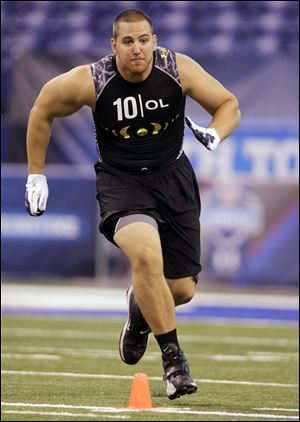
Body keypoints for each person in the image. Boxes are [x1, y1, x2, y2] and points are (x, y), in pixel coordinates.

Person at [25, 9, 241, 400]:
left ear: (154, 42)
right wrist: (36, 174)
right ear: (114, 46)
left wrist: (215, 133)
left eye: (144, 40)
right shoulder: (93, 79)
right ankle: (174, 364)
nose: (137, 49)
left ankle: (138, 312)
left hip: (173, 177)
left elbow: (228, 104)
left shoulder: (178, 69)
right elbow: (42, 108)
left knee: (181, 289)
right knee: (145, 256)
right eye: (127, 41)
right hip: (122, 181)